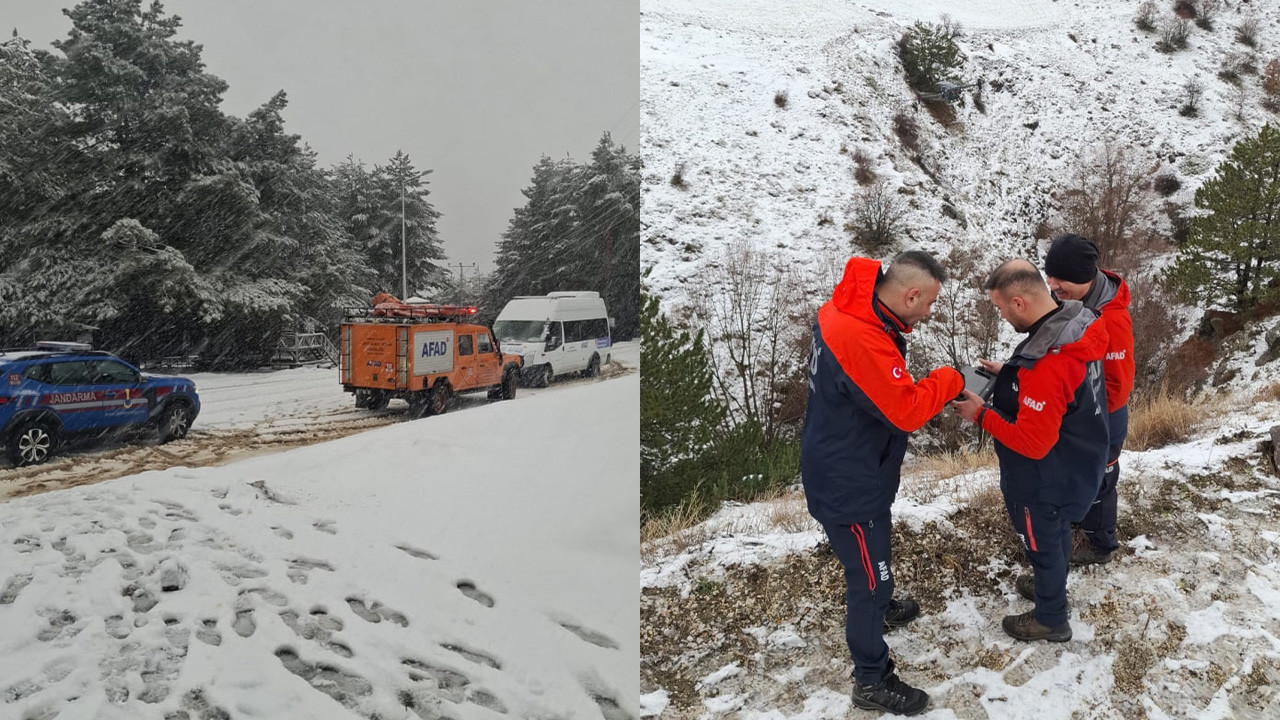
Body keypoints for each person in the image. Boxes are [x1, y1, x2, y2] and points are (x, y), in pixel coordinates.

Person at [801, 251, 962, 716]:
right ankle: (871, 680)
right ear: (910, 294)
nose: (929, 314)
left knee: (876, 561)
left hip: (854, 461)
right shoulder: (862, 336)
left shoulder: (850, 310)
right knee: (868, 581)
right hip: (848, 482)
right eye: (928, 303)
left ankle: (882, 602)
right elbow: (906, 410)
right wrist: (948, 380)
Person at [951, 259, 1108, 642]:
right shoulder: (1075, 323)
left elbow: (1034, 443)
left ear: (1020, 303)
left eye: (1001, 308)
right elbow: (1060, 391)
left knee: (1043, 544)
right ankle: (1048, 584)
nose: (1001, 316)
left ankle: (1051, 618)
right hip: (1078, 458)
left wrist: (980, 413)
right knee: (1052, 541)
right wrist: (1011, 372)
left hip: (1044, 480)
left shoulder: (1047, 364)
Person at [1043, 234, 1135, 566]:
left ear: (1085, 276)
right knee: (1080, 475)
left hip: (1103, 418)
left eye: (1061, 278)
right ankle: (1080, 520)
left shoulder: (1111, 319)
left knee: (1100, 479)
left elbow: (1117, 384)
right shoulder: (1075, 297)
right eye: (1049, 275)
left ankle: (1100, 545)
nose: (1052, 285)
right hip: (1080, 412)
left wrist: (1080, 414)